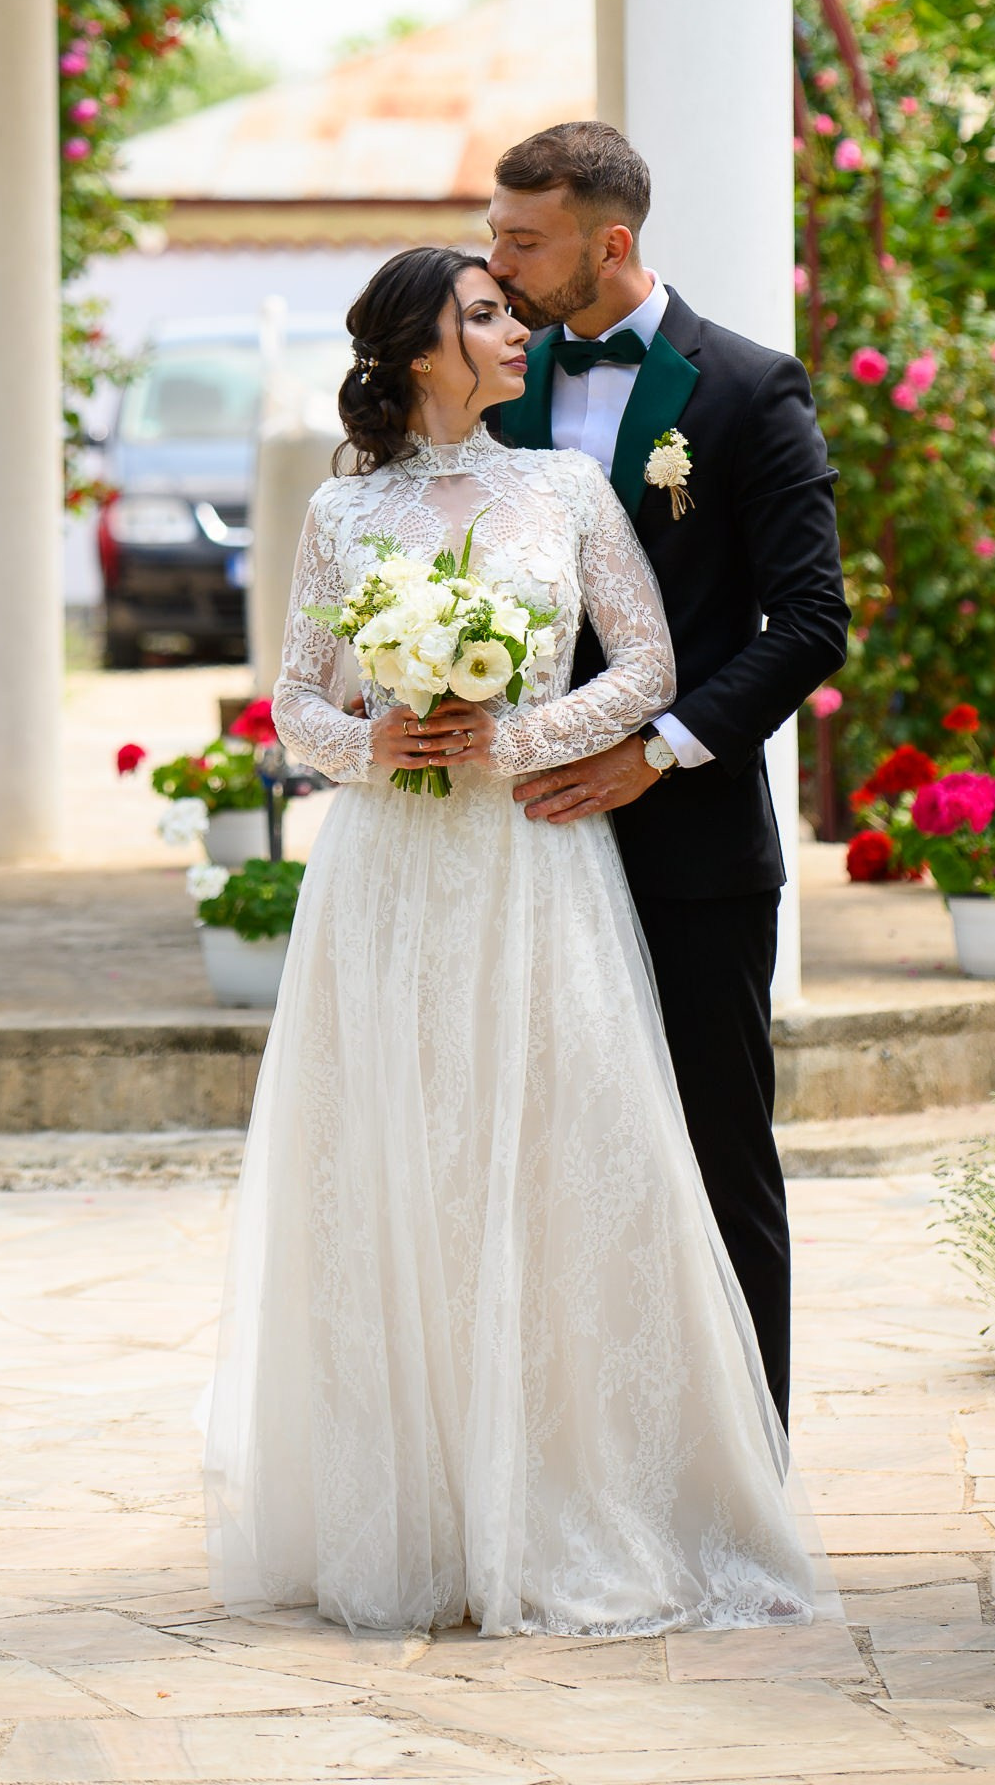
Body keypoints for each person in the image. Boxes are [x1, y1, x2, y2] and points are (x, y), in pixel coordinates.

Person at [205, 243, 819, 1640]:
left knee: (547, 1158)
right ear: (421, 350)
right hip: (386, 877)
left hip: (536, 865)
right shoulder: (341, 512)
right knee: (397, 1163)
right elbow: (294, 699)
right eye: (482, 315)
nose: (513, 330)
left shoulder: (565, 488)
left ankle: (557, 1499)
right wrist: (374, 743)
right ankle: (415, 1515)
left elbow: (650, 664)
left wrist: (517, 740)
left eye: (507, 308)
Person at [484, 120, 851, 1426]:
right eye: (494, 237)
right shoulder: (490, 385)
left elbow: (811, 622)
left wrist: (658, 753)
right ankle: (568, 1455)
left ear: (611, 240)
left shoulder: (748, 388)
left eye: (526, 242)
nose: (500, 266)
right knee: (540, 1159)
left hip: (691, 846)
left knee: (716, 1156)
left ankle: (748, 1466)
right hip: (515, 839)